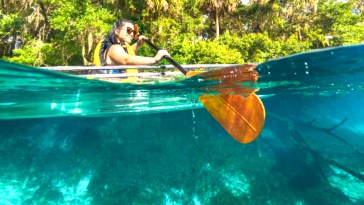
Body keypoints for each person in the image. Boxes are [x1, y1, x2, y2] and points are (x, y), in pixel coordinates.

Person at [96, 18, 169, 70]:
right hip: (114, 89)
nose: (131, 34)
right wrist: (154, 60)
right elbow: (126, 60)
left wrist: (138, 44)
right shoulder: (115, 48)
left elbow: (128, 53)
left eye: (133, 32)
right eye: (128, 30)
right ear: (117, 32)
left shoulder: (117, 47)